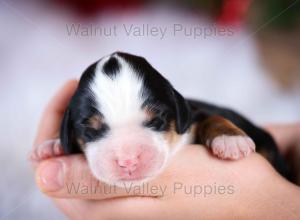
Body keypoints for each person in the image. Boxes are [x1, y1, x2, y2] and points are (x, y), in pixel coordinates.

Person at [31, 80, 300, 220]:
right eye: (94, 130)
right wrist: (67, 145)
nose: (127, 158)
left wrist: (276, 207)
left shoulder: (190, 117)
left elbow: (203, 120)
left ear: (176, 113)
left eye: (153, 123)